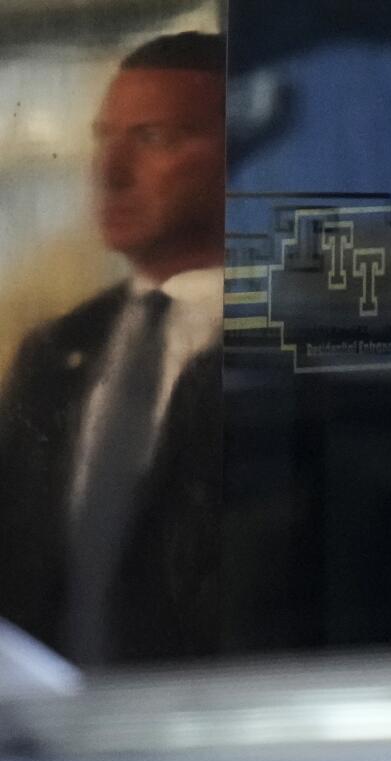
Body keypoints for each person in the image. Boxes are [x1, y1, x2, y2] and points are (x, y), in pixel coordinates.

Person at [0, 32, 226, 664]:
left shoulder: (282, 356)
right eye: (105, 139)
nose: (109, 172)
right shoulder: (55, 352)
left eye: (152, 139)